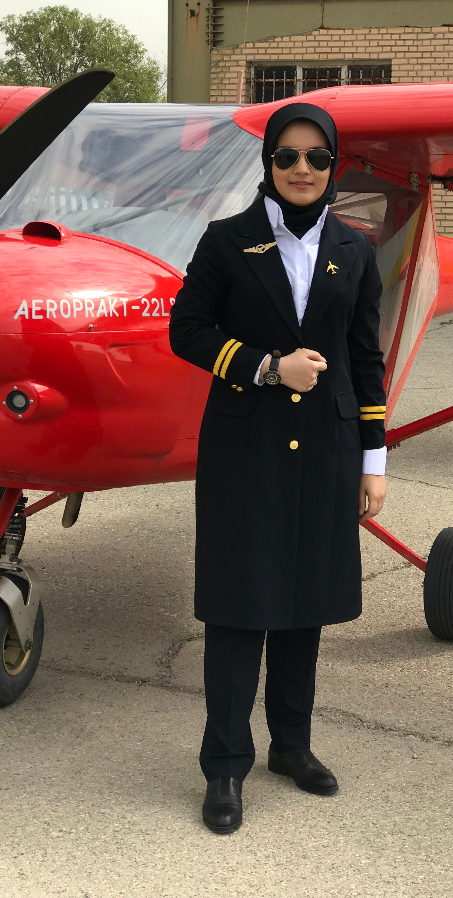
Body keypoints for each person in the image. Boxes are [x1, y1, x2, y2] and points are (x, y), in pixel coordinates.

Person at [168, 102, 387, 835]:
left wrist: (374, 458)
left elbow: (364, 359)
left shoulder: (354, 249)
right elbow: (188, 330)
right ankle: (225, 767)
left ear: (334, 166)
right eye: (287, 156)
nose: (302, 169)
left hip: (326, 450)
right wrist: (267, 366)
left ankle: (291, 745)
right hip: (244, 449)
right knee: (238, 608)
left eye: (317, 158)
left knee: (304, 604)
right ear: (268, 163)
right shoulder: (226, 241)